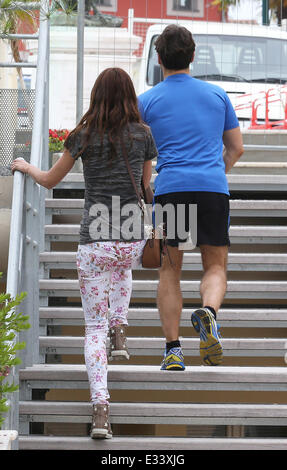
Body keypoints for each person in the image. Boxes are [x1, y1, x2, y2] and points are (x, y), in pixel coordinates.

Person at [12, 67, 157, 439]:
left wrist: (27, 167)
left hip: (95, 240)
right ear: (130, 96)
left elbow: (49, 180)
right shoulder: (143, 134)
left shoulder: (83, 136)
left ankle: (100, 412)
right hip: (130, 237)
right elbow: (146, 185)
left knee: (93, 327)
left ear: (96, 96)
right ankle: (120, 327)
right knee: (123, 268)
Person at [138, 25, 244, 371]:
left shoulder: (147, 101)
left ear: (158, 59)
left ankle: (173, 351)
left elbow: (141, 155)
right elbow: (237, 148)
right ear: (193, 56)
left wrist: (147, 192)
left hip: (171, 190)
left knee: (170, 271)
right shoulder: (217, 95)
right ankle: (209, 312)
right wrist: (216, 173)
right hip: (212, 188)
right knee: (215, 266)